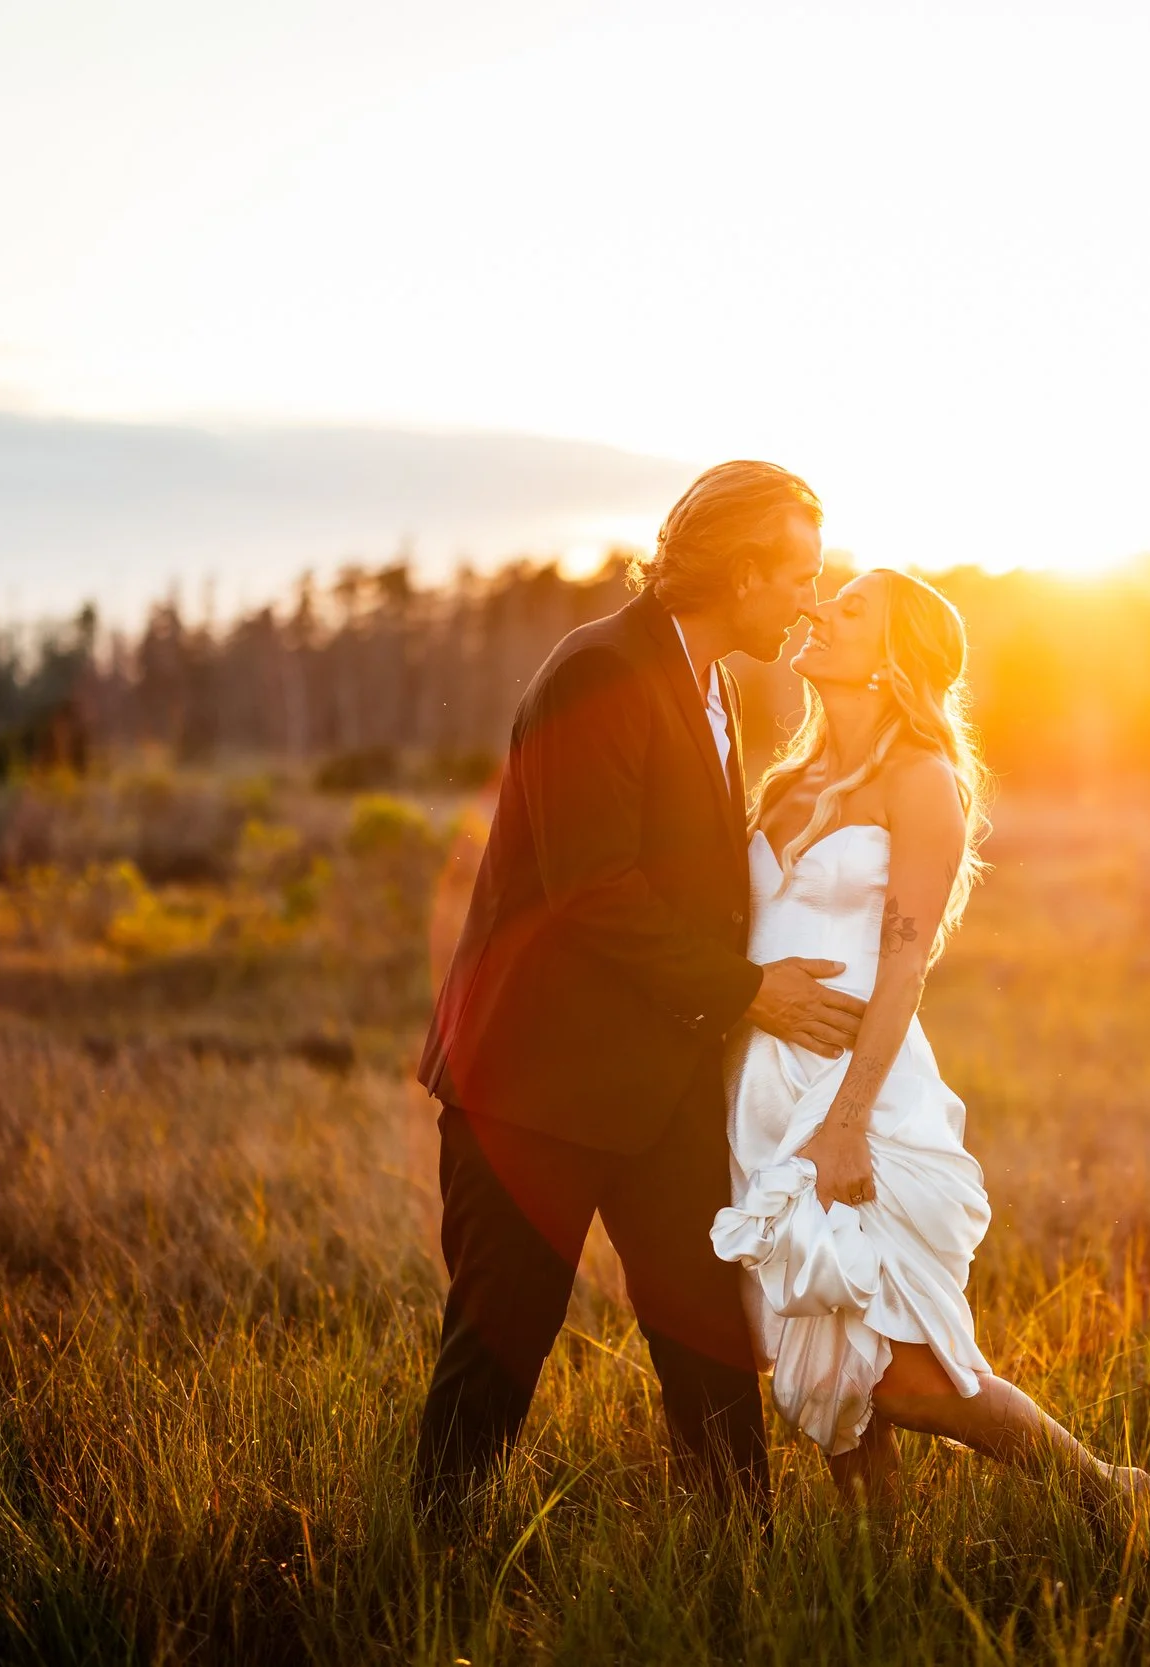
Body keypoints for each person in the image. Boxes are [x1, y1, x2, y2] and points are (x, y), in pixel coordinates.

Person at [412, 460, 863, 1517]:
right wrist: (755, 989)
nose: (809, 594)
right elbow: (594, 890)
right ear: (743, 570)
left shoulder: (709, 683)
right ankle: (427, 1564)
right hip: (533, 1089)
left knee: (708, 1332)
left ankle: (740, 1560)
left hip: (655, 1083)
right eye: (798, 572)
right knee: (499, 1348)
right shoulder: (601, 670)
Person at [711, 568, 1150, 1507]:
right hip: (759, 1085)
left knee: (908, 1372)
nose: (817, 611)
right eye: (824, 598)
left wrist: (848, 1122)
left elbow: (905, 966)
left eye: (849, 608)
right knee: (821, 1348)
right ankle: (873, 1572)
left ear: (895, 657)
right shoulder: (788, 778)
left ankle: (1108, 1490)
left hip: (853, 1082)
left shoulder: (922, 779)